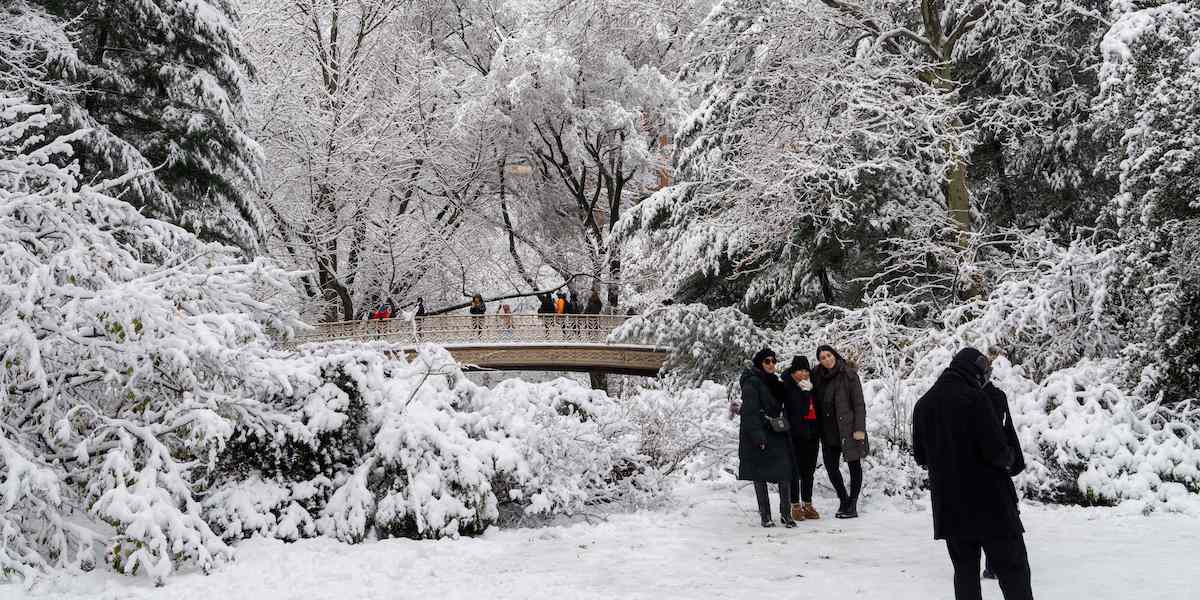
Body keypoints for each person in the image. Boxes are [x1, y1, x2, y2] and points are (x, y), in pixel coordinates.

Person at [912, 348, 1033, 600]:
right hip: (991, 503)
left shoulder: (923, 404)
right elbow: (997, 452)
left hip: (949, 506)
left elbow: (921, 456)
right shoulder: (976, 399)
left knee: (965, 573)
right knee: (1013, 570)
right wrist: (1011, 458)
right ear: (976, 370)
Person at [738, 348, 796, 528]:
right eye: (767, 361)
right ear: (759, 363)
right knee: (760, 474)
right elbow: (749, 413)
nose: (771, 364)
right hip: (760, 432)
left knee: (784, 472)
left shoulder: (774, 382)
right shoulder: (751, 382)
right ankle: (766, 516)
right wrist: (758, 437)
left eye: (774, 361)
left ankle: (786, 514)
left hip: (775, 431)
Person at [981, 346, 1025, 581]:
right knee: (998, 516)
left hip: (990, 463)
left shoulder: (986, 397)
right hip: (997, 464)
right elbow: (1006, 430)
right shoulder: (995, 396)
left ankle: (992, 565)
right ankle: (994, 565)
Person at [812, 344, 867, 519]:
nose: (827, 360)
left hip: (848, 428)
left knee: (854, 465)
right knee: (831, 467)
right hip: (827, 429)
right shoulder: (817, 376)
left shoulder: (849, 375)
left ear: (835, 355)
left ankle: (852, 504)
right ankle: (843, 499)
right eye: (822, 358)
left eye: (829, 355)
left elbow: (859, 404)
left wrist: (859, 429)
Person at [781, 356, 821, 521]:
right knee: (795, 471)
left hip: (812, 434)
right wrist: (805, 392)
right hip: (795, 435)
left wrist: (810, 391)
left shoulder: (811, 385)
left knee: (809, 471)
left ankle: (808, 504)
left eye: (806, 370)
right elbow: (799, 409)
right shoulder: (787, 386)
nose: (804, 374)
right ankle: (795, 505)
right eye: (800, 370)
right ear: (793, 371)